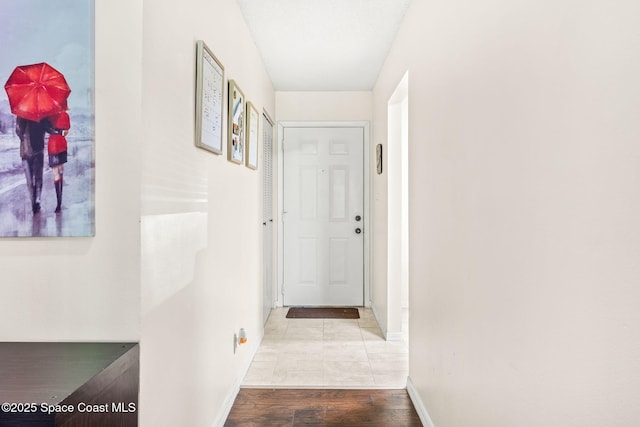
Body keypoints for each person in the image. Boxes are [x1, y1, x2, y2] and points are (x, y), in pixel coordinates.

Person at [15, 117, 51, 214]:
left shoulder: (42, 115)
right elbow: (18, 131)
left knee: (38, 179)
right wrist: (20, 128)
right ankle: (33, 203)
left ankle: (38, 200)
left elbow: (48, 128)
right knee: (30, 181)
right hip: (26, 152)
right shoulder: (21, 115)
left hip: (38, 151)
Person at [47, 111, 70, 213]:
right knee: (61, 172)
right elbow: (67, 130)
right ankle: (60, 201)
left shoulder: (49, 115)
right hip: (62, 145)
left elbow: (46, 128)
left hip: (52, 146)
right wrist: (61, 132)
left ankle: (58, 204)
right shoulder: (65, 115)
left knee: (56, 174)